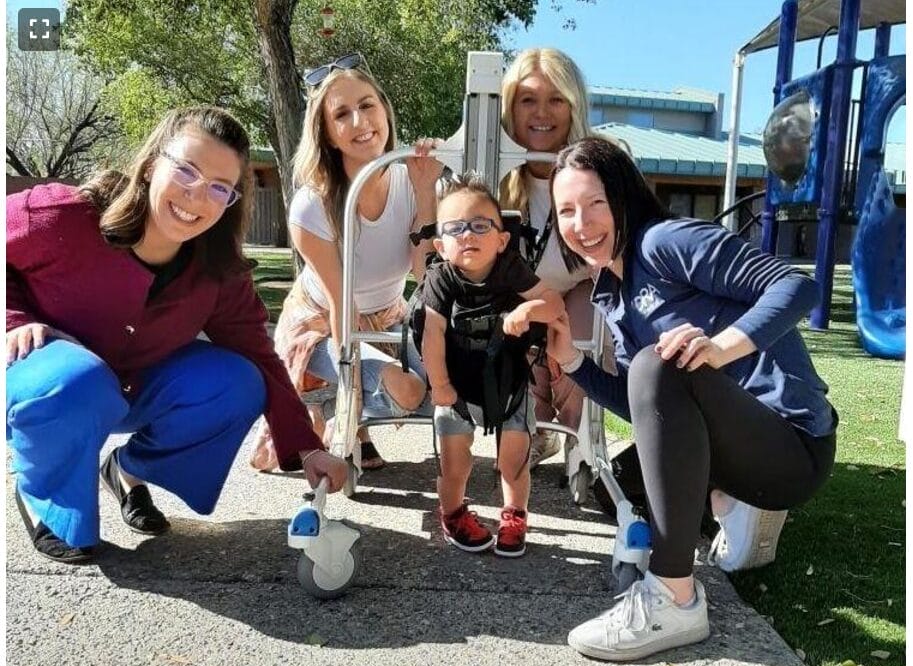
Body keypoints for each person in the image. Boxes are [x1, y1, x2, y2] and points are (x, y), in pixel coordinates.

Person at [6, 106, 347, 564]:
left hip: (136, 389)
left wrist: (305, 445)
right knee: (77, 380)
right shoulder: (61, 216)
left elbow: (262, 358)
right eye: (187, 169)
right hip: (47, 377)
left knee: (240, 381)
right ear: (150, 165)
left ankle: (127, 471)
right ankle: (46, 499)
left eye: (219, 188)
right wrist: (15, 316)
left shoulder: (219, 272)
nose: (196, 195)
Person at [545, 137, 837, 661]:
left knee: (662, 361)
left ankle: (675, 597)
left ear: (624, 196)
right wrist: (572, 364)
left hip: (793, 446)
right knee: (622, 479)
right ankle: (730, 502)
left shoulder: (664, 241)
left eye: (595, 203)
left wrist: (719, 349)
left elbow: (795, 288)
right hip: (738, 444)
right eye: (566, 210)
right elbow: (649, 404)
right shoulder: (612, 288)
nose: (581, 223)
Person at [249, 53, 441, 472]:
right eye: (342, 114)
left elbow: (423, 274)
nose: (360, 121)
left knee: (450, 376)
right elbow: (341, 304)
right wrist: (354, 380)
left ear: (385, 111)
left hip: (390, 315)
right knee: (408, 392)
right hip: (324, 325)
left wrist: (427, 193)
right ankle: (344, 418)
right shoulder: (312, 205)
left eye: (367, 105)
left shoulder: (412, 179)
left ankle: (348, 414)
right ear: (328, 134)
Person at [421, 174, 564, 557]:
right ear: (440, 244)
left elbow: (554, 304)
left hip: (509, 379)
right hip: (456, 383)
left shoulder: (510, 268)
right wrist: (439, 384)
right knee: (455, 462)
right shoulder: (441, 278)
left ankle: (514, 514)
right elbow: (432, 334)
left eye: (480, 226)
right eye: (455, 228)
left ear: (501, 239)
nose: (468, 235)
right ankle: (452, 513)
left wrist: (527, 309)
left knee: (514, 459)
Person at [499, 47, 604, 468]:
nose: (542, 112)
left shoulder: (600, 164)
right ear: (510, 107)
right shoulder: (494, 172)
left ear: (573, 105)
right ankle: (536, 423)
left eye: (556, 99)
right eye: (528, 99)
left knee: (586, 319)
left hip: (578, 290)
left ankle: (581, 434)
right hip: (520, 299)